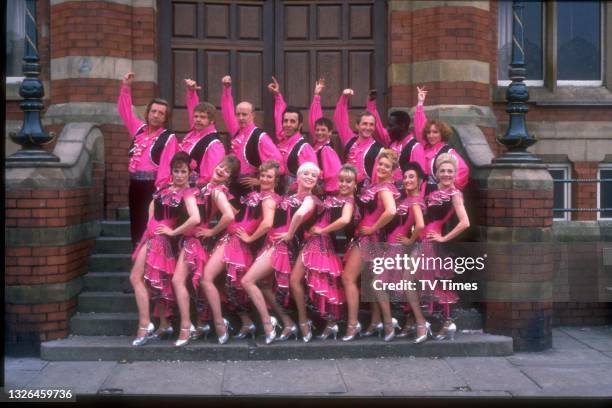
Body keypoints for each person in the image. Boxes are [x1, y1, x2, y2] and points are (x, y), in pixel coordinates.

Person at [202, 160, 282, 344]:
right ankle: (249, 322)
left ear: (276, 180)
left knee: (215, 279)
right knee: (229, 285)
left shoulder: (268, 199)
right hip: (232, 238)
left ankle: (225, 324)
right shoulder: (257, 195)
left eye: (269, 176)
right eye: (262, 175)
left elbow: (268, 223)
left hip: (237, 241)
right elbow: (238, 215)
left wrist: (250, 238)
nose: (264, 179)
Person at [241, 162, 321, 344]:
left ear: (316, 181)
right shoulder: (288, 197)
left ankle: (269, 325)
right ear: (298, 177)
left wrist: (289, 233)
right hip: (272, 243)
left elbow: (300, 215)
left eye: (313, 176)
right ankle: (288, 323)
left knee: (247, 281)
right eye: (306, 173)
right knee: (263, 284)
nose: (309, 177)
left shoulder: (309, 199)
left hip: (281, 246)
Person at [129, 152, 200, 346]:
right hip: (151, 237)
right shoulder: (162, 191)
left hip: (162, 239)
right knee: (152, 283)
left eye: (183, 171)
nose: (179, 175)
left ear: (189, 173)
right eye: (176, 171)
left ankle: (146, 326)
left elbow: (196, 218)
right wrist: (144, 239)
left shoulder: (188, 193)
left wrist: (173, 231)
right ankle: (161, 324)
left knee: (139, 278)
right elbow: (150, 217)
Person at [171, 155, 239, 346]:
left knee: (180, 280)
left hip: (195, 240)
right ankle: (206, 324)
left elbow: (228, 216)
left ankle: (191, 327)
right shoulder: (204, 186)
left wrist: (211, 231)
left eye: (226, 171)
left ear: (229, 178)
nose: (221, 170)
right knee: (197, 284)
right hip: (189, 239)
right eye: (220, 166)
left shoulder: (217, 191)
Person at [290, 164, 358, 342]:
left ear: (355, 185)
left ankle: (331, 323)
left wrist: (323, 230)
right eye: (341, 180)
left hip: (321, 242)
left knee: (320, 283)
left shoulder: (348, 202)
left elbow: (345, 219)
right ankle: (306, 322)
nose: (343, 184)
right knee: (298, 281)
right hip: (311, 240)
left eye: (348, 181)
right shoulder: (331, 197)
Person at [341, 149, 400, 341]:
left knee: (348, 278)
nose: (382, 167)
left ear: (392, 171)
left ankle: (353, 325)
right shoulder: (375, 186)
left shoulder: (384, 188)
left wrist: (373, 227)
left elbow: (391, 211)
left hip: (369, 238)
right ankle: (380, 323)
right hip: (367, 237)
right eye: (380, 164)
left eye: (386, 166)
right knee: (372, 282)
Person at [118, 72, 178, 245]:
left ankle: (152, 266)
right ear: (148, 112)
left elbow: (167, 167)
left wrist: (159, 193)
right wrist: (126, 88)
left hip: (153, 187)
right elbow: (125, 112)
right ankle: (138, 260)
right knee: (136, 226)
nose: (156, 115)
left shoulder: (168, 138)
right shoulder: (139, 130)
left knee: (151, 226)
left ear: (166, 118)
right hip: (135, 185)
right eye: (153, 111)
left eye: (161, 113)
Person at [421, 153, 470, 340]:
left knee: (439, 284)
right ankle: (426, 323)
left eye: (450, 171)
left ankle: (447, 323)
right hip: (422, 240)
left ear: (455, 173)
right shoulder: (431, 192)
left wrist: (444, 238)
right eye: (442, 171)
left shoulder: (455, 194)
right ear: (437, 172)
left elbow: (465, 222)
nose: (446, 174)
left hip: (434, 242)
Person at [382, 162, 429, 343]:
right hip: (398, 247)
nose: (407, 180)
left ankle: (420, 323)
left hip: (411, 246)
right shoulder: (407, 199)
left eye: (412, 177)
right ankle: (411, 322)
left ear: (420, 182)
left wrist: (409, 240)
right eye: (406, 177)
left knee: (403, 283)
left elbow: (421, 225)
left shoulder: (415, 200)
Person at [220, 75, 285, 198]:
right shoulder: (237, 130)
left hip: (249, 186)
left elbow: (278, 163)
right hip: (234, 182)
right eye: (238, 114)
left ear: (252, 115)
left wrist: (260, 180)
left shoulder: (260, 137)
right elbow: (227, 112)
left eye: (244, 114)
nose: (241, 118)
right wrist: (227, 90)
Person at [157, 79, 225, 187]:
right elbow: (192, 108)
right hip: (180, 186)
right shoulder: (192, 134)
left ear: (211, 121)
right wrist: (191, 92)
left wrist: (192, 188)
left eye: (202, 117)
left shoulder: (214, 144)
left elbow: (210, 176)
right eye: (196, 116)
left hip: (196, 192)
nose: (198, 119)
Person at [366, 87, 428, 185]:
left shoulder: (415, 148)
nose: (387, 129)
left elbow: (420, 179)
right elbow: (378, 129)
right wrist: (371, 104)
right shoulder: (391, 142)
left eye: (391, 126)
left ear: (402, 125)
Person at [267, 76, 318, 187]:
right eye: (285, 121)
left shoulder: (304, 148)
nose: (288, 125)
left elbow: (311, 177)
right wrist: (277, 96)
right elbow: (278, 115)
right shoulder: (281, 140)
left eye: (292, 121)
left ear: (299, 125)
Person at [333, 89, 383, 190]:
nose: (368, 128)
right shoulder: (349, 140)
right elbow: (340, 120)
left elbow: (378, 179)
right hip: (345, 191)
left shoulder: (379, 149)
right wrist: (344, 98)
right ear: (357, 126)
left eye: (371, 125)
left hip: (366, 196)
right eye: (364, 124)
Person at [308, 78, 343, 194]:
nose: (319, 133)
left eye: (323, 130)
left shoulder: (326, 150)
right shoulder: (316, 146)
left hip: (323, 193)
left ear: (330, 133)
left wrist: (327, 193)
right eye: (317, 130)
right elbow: (314, 118)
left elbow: (333, 174)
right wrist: (316, 96)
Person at [417, 119, 470, 195]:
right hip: (424, 193)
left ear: (442, 134)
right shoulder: (425, 150)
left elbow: (463, 170)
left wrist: (448, 186)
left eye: (435, 132)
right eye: (428, 132)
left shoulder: (448, 151)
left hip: (441, 196)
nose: (431, 135)